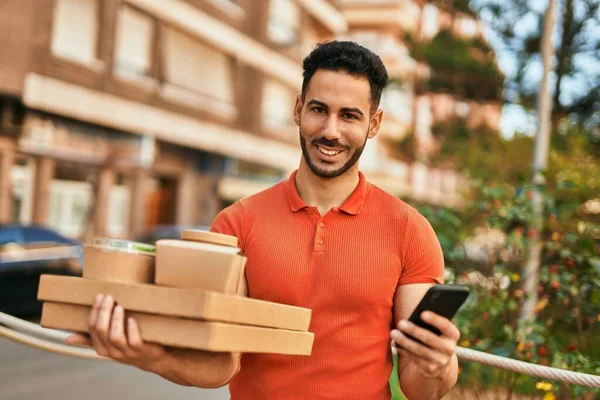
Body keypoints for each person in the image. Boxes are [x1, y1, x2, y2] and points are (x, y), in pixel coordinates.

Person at [67, 41, 460, 400]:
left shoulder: (409, 230)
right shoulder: (237, 222)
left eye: (350, 116)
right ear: (297, 109)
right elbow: (220, 365)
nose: (330, 131)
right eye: (319, 109)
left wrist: (440, 365)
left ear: (373, 124)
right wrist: (148, 356)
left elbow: (418, 386)